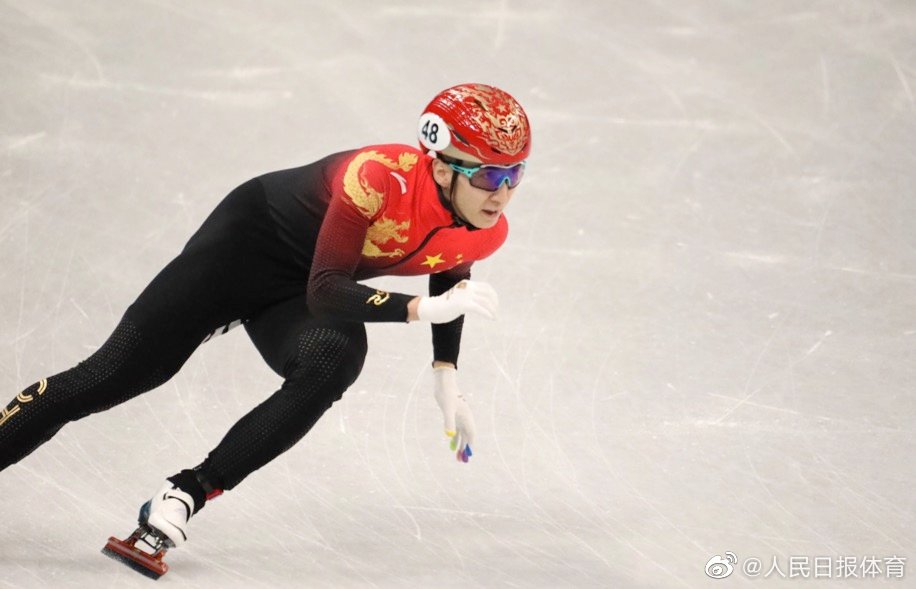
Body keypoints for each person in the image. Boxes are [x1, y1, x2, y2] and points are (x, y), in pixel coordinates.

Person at [0, 83, 531, 572]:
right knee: (114, 376)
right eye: (488, 175)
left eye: (515, 175)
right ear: (441, 168)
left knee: (333, 362)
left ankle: (186, 493)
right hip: (245, 251)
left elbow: (447, 276)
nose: (502, 193)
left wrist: (446, 376)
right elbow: (328, 289)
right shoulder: (376, 177)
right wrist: (413, 309)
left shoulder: (487, 230)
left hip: (298, 294)